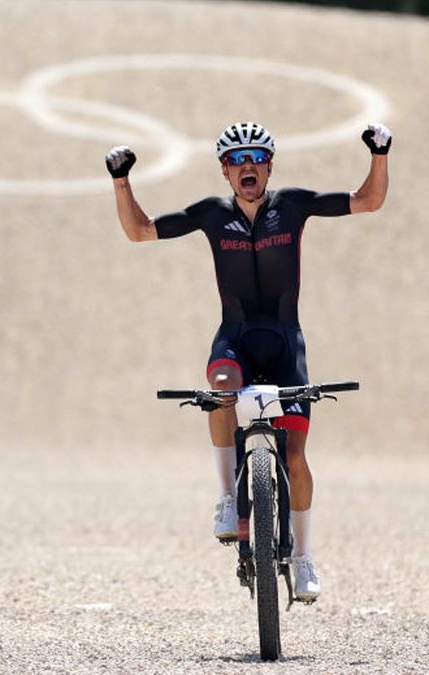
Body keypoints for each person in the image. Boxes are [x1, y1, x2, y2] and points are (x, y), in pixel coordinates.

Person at [105, 121, 391, 601]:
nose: (247, 167)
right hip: (235, 337)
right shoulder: (212, 215)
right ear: (224, 171)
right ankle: (224, 499)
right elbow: (139, 232)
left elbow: (369, 202)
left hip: (284, 341)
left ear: (270, 165)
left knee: (296, 460)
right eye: (237, 161)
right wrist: (121, 180)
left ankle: (302, 557)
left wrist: (380, 154)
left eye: (256, 158)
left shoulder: (294, 205)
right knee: (219, 382)